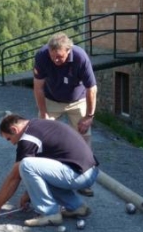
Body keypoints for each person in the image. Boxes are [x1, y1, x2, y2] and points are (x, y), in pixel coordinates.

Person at [0, 114, 99, 227]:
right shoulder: (37, 125)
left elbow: (14, 177)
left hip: (78, 174)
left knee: (25, 165)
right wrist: (28, 194)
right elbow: (43, 171)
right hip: (89, 171)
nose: (12, 143)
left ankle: (49, 213)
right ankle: (77, 207)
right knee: (33, 167)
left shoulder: (27, 139)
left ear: (14, 129)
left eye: (9, 138)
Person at [33, 32, 97, 196]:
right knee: (42, 137)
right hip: (52, 99)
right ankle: (45, 178)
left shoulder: (80, 57)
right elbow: (38, 87)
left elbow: (92, 88)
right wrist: (43, 112)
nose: (56, 60)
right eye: (53, 56)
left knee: (84, 138)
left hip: (78, 100)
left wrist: (89, 116)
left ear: (68, 51)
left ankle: (83, 180)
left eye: (60, 57)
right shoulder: (41, 56)